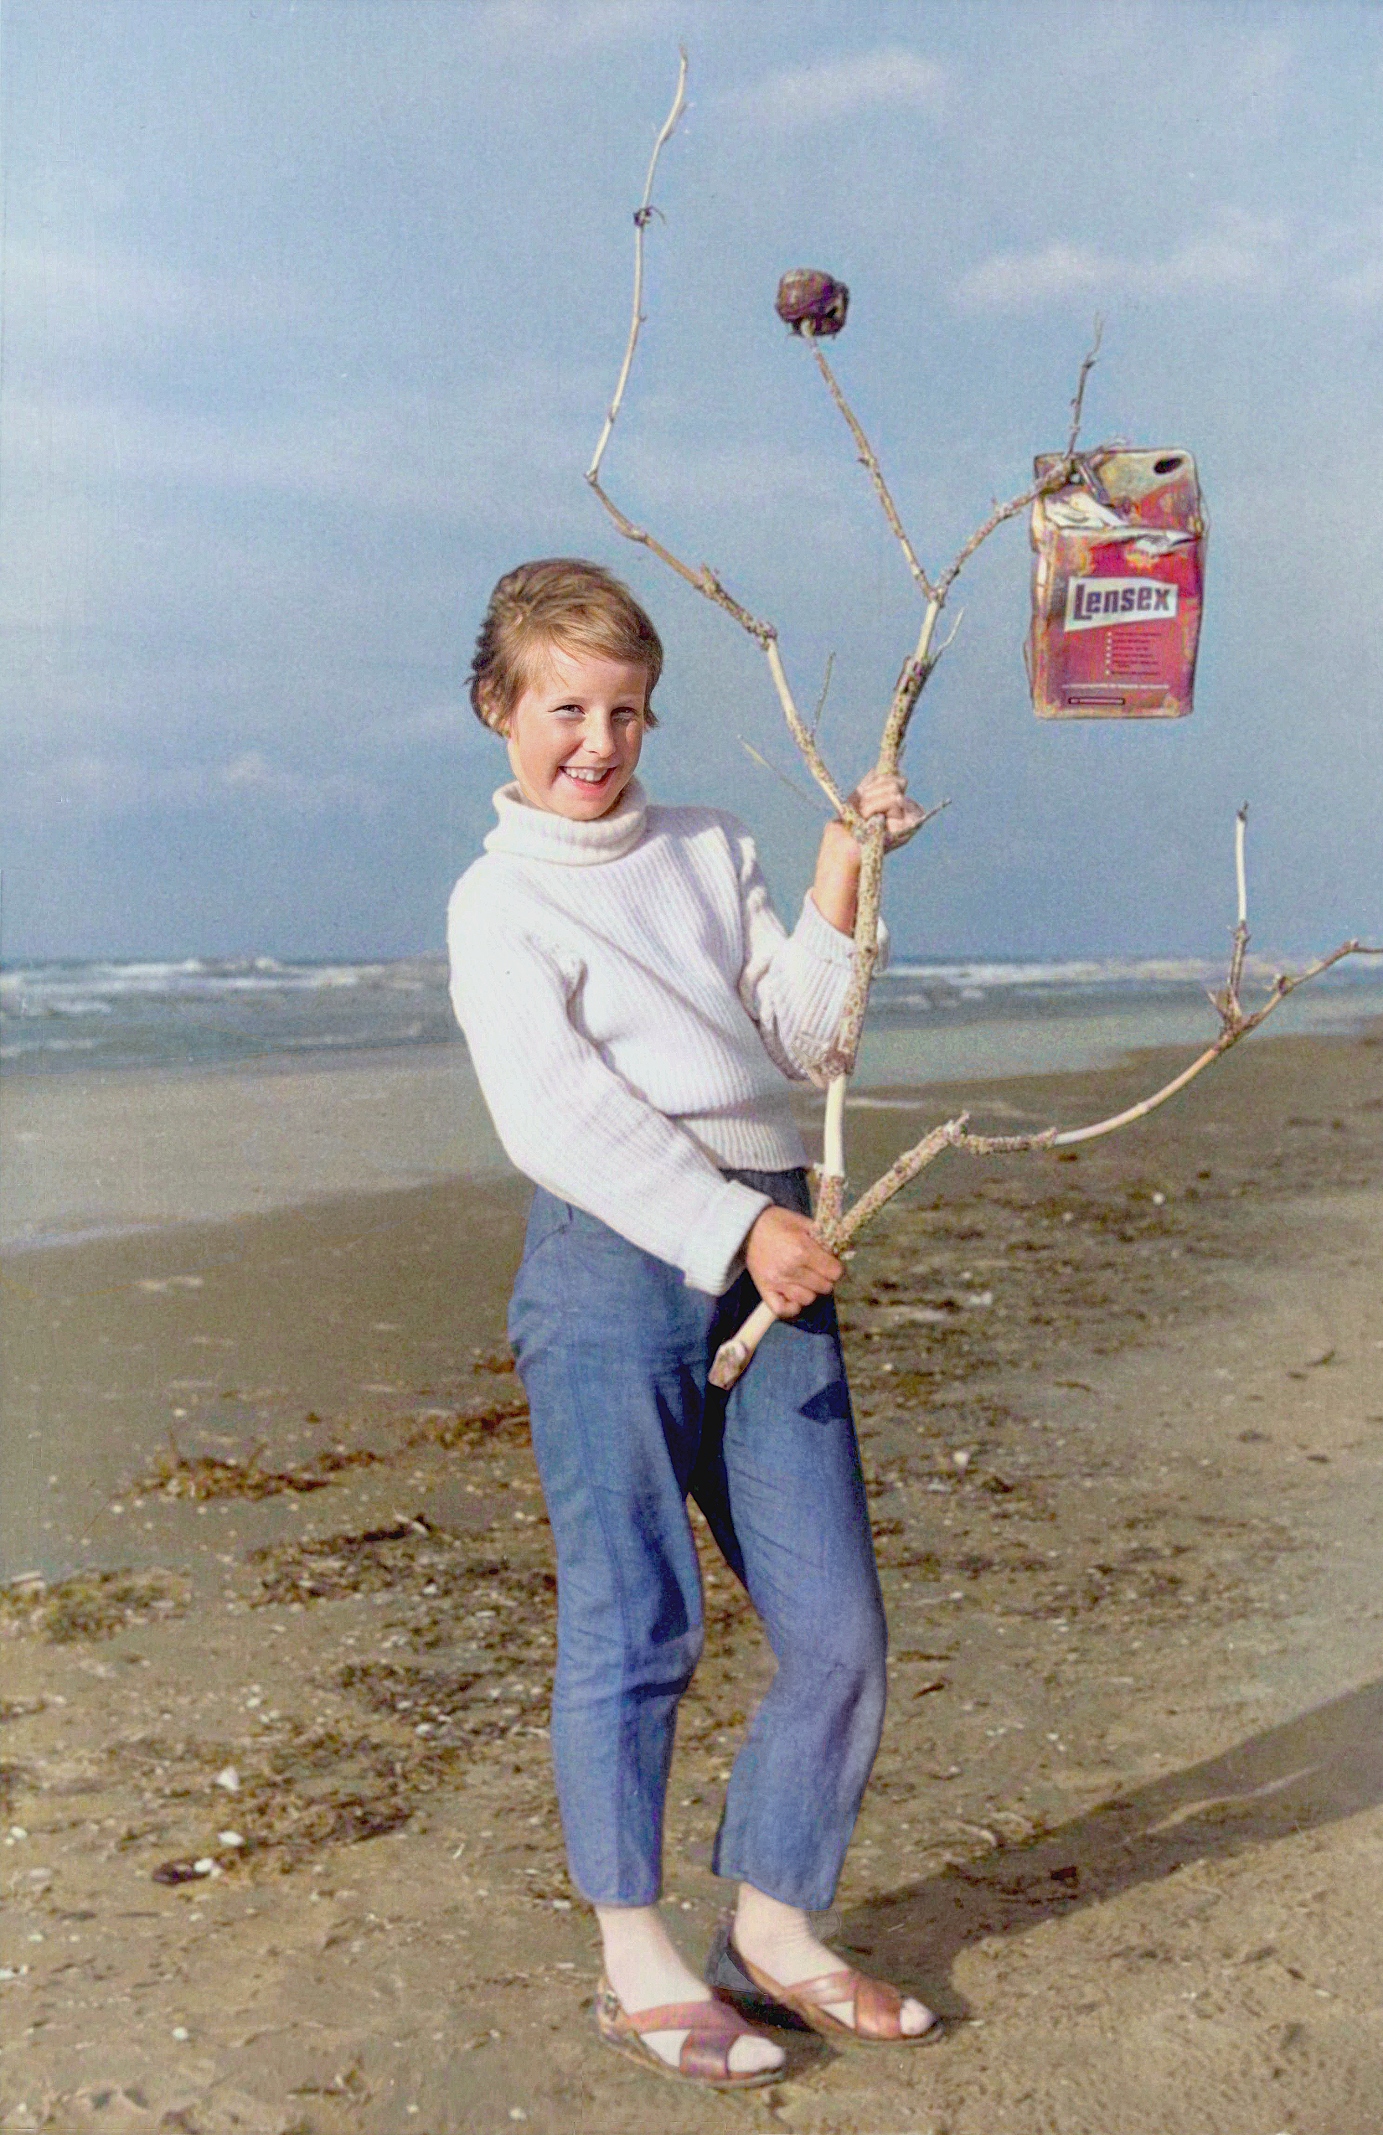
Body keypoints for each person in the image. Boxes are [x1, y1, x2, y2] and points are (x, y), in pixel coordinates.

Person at [447, 557, 941, 2090]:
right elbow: (559, 1118)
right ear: (500, 710)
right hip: (616, 1259)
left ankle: (778, 1933)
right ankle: (637, 1959)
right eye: (566, 710)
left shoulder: (705, 844)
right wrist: (737, 1227)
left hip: (774, 1234)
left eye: (628, 712)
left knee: (839, 1631)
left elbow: (807, 1031)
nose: (598, 743)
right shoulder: (498, 902)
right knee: (636, 1620)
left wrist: (838, 877)